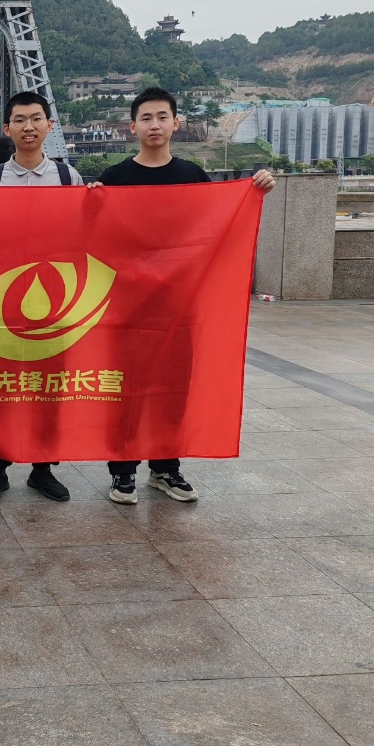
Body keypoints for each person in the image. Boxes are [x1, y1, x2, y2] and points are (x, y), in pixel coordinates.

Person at [91, 87, 275, 505]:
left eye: (162, 117)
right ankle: (122, 471)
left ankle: (165, 468)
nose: (154, 125)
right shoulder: (115, 178)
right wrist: (92, 202)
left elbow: (218, 226)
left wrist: (254, 190)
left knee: (172, 389)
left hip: (179, 305)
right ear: (132, 126)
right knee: (127, 389)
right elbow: (97, 237)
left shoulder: (192, 176)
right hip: (129, 305)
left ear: (175, 123)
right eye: (146, 118)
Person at [0, 91, 82, 504]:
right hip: (1, 298)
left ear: (50, 125)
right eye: (19, 120)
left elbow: (87, 230)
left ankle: (42, 468)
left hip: (55, 299)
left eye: (35, 119)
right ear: (7, 128)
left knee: (47, 388)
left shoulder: (68, 177)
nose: (28, 127)